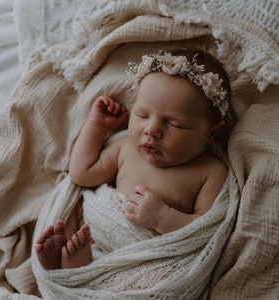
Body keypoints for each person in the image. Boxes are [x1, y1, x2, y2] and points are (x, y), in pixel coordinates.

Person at [36, 47, 232, 270]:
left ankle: (81, 267)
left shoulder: (210, 171)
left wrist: (162, 217)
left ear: (212, 133)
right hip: (99, 239)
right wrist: (97, 127)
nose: (152, 130)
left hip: (148, 260)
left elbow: (206, 230)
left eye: (173, 124)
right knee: (77, 228)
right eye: (142, 115)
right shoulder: (126, 148)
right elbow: (82, 174)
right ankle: (75, 265)